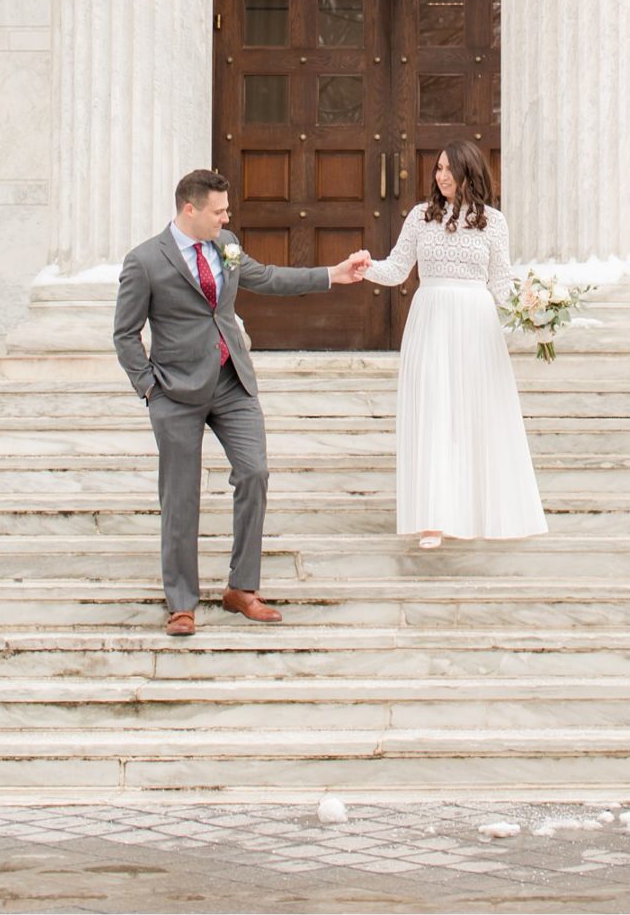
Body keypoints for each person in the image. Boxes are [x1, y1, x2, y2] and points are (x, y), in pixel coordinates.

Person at [113, 168, 371, 636]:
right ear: (189, 209)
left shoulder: (225, 244)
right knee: (181, 496)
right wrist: (149, 388)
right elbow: (125, 334)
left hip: (233, 383)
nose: (226, 217)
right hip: (175, 392)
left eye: (226, 210)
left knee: (254, 472)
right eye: (219, 210)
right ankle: (182, 603)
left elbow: (266, 277)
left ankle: (242, 588)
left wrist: (331, 275)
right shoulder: (145, 261)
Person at [364, 139, 546, 548]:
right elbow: (396, 270)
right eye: (438, 168)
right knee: (433, 412)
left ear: (470, 173)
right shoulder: (419, 217)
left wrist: (535, 310)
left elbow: (501, 283)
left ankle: (480, 511)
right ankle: (433, 519)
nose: (441, 176)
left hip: (476, 325)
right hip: (430, 319)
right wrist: (365, 268)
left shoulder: (493, 222)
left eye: (449, 169)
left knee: (474, 413)